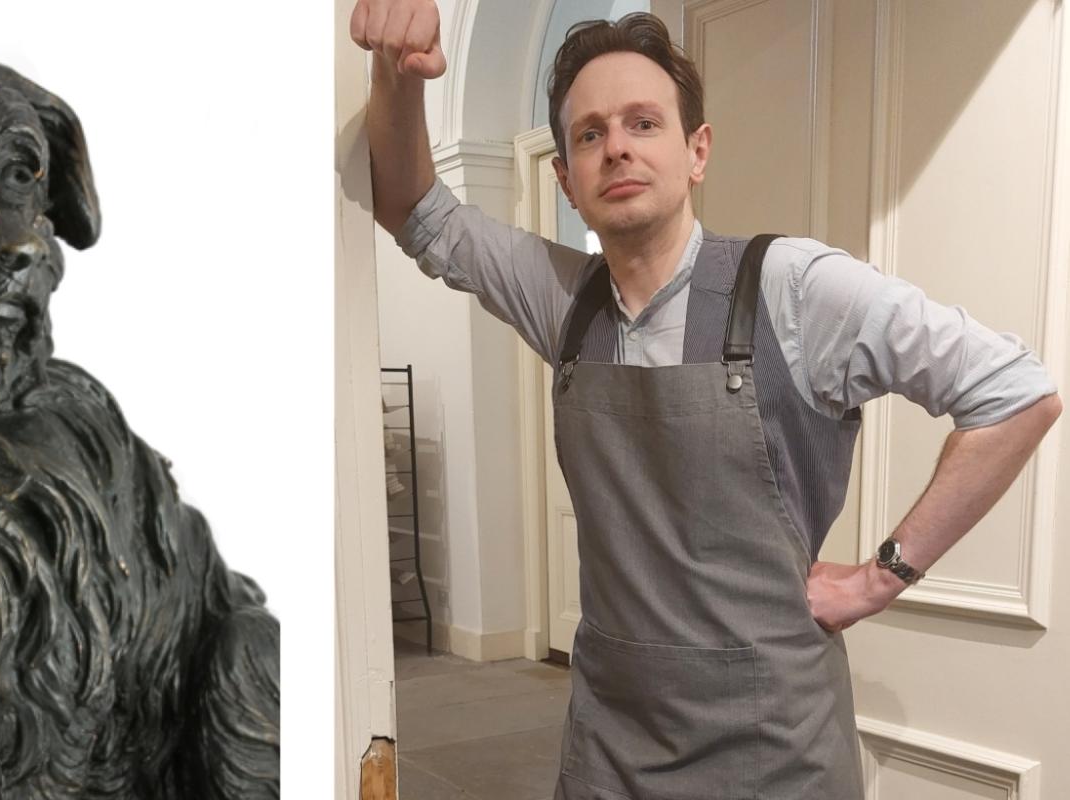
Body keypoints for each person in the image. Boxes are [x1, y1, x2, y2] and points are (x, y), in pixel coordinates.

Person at [350, 3, 1063, 799]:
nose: (615, 145)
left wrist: (878, 577)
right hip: (614, 744)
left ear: (697, 152)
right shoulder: (567, 304)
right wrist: (395, 73)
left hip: (776, 746)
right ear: (566, 180)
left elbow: (1015, 393)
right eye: (589, 134)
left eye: (643, 122)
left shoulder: (793, 288)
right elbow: (412, 209)